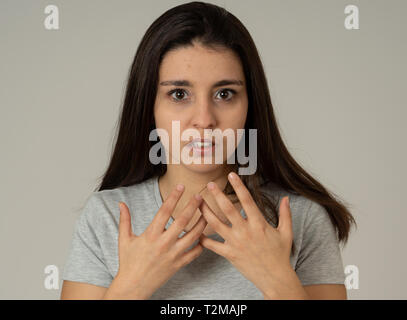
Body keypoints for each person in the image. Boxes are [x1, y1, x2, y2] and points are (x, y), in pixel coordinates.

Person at [60, 1, 356, 300]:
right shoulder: (107, 217)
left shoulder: (300, 218)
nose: (204, 120)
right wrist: (130, 287)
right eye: (179, 94)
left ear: (250, 105)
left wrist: (279, 282)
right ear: (149, 105)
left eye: (225, 94)